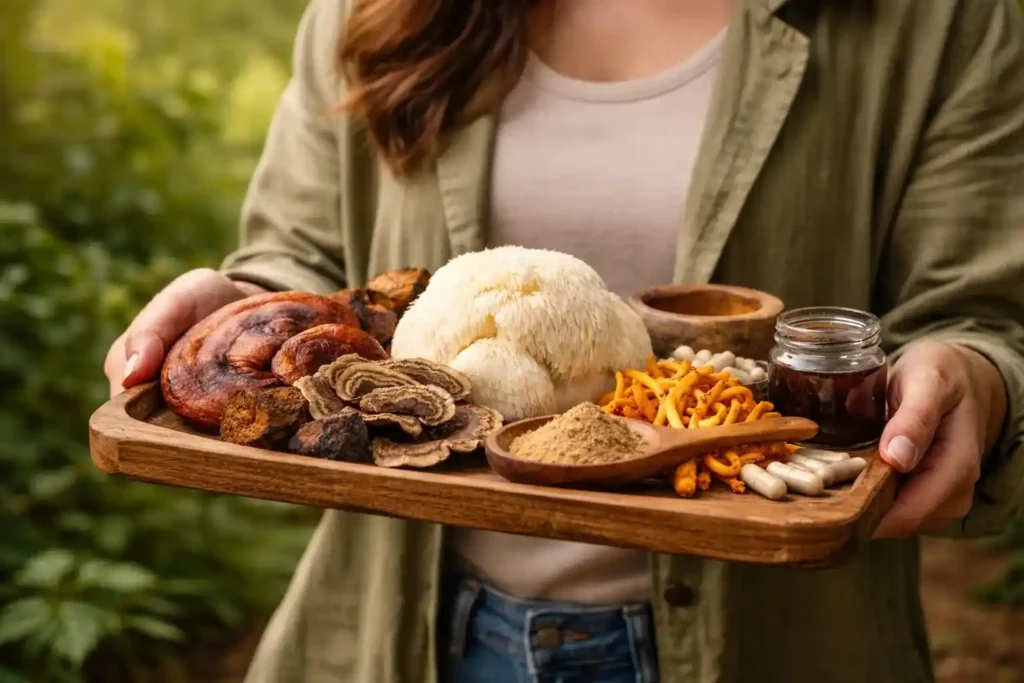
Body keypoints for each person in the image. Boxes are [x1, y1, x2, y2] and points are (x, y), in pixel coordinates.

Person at [104, 0, 1024, 681]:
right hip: (403, 633)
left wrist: (976, 378)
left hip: (783, 641)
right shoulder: (367, 10)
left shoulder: (943, 22)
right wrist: (240, 306)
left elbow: (979, 311)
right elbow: (300, 263)